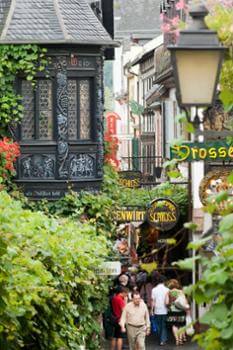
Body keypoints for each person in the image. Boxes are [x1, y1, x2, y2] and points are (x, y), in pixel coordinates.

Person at [167, 279, 190, 346]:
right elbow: (185, 301)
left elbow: (168, 302)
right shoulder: (181, 292)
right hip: (181, 310)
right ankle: (180, 339)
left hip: (173, 311)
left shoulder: (169, 292)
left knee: (174, 326)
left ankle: (177, 340)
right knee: (181, 325)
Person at [151, 275, 169, 346]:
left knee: (158, 325)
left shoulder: (154, 290)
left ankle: (161, 337)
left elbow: (153, 300)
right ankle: (163, 339)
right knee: (164, 325)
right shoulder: (167, 289)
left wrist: (151, 310)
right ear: (164, 281)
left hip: (157, 310)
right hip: (165, 310)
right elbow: (167, 301)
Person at [111, 286, 129, 350]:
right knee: (120, 337)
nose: (127, 295)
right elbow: (124, 310)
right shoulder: (120, 299)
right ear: (122, 292)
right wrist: (126, 301)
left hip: (114, 319)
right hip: (120, 319)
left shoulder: (114, 298)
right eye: (126, 293)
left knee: (114, 336)